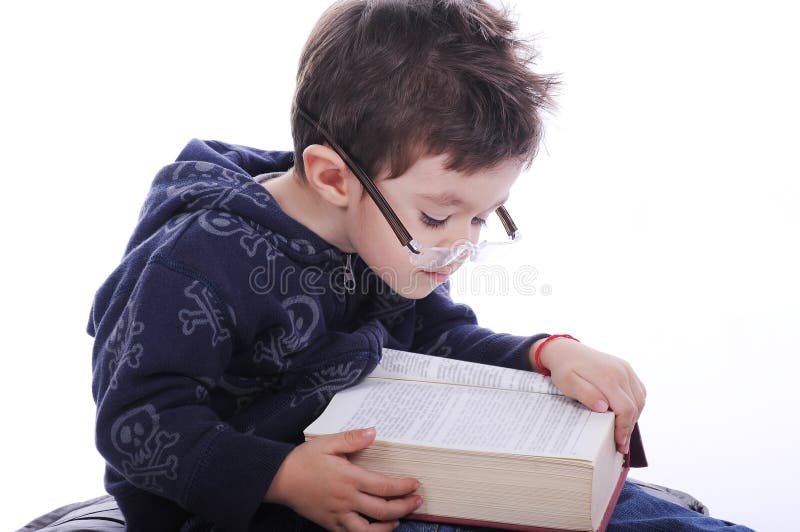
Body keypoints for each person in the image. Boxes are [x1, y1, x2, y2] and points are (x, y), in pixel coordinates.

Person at [88, 1, 753, 531]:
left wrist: (545, 354)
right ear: (334, 178)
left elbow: (435, 337)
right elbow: (136, 421)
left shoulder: (383, 238)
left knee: (630, 517)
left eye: (485, 216)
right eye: (440, 217)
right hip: (242, 504)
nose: (462, 244)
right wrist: (284, 476)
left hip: (371, 467)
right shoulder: (197, 263)